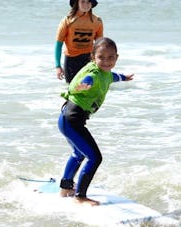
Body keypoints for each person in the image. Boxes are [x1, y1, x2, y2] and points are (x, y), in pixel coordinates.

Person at [58, 37, 134, 206]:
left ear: (117, 57)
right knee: (95, 157)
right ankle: (80, 196)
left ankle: (66, 188)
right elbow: (86, 80)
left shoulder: (105, 73)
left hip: (66, 120)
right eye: (101, 57)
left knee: (78, 154)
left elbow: (111, 76)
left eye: (111, 57)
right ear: (93, 57)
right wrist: (82, 85)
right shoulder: (92, 73)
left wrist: (124, 77)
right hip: (72, 120)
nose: (106, 61)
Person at [55, 0, 103, 83]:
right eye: (83, 1)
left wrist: (101, 62)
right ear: (77, 3)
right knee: (71, 89)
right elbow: (58, 45)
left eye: (88, 2)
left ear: (92, 3)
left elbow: (99, 45)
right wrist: (58, 66)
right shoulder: (67, 20)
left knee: (88, 88)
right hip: (71, 60)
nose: (86, 4)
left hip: (89, 59)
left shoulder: (97, 21)